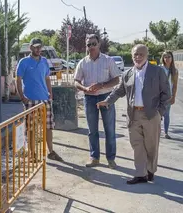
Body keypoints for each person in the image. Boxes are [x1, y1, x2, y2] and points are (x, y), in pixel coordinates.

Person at [97, 44, 171, 184]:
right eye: (135, 54)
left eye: (141, 54)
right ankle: (140, 174)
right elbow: (118, 91)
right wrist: (107, 101)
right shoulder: (127, 74)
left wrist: (160, 112)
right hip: (133, 115)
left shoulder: (157, 72)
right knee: (137, 144)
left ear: (146, 55)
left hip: (151, 114)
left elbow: (166, 94)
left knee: (151, 145)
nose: (137, 57)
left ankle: (150, 170)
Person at [74, 34, 121, 168]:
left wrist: (101, 85)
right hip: (89, 98)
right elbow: (76, 81)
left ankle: (111, 159)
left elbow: (117, 79)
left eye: (94, 44)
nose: (91, 47)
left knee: (109, 129)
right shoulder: (83, 62)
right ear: (86, 46)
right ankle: (94, 157)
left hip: (106, 97)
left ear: (99, 44)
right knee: (92, 130)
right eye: (89, 45)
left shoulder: (108, 60)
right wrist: (85, 88)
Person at [16, 38, 63, 161]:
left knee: (48, 126)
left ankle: (51, 151)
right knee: (31, 128)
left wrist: (50, 94)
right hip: (30, 101)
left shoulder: (44, 62)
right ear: (30, 48)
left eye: (40, 47)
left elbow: (47, 78)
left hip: (45, 100)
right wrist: (22, 97)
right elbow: (18, 80)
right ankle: (32, 153)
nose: (38, 49)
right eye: (35, 47)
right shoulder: (24, 62)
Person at [160, 51, 179, 139]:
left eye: (169, 57)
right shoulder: (159, 69)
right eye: (165, 57)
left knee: (166, 114)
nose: (167, 59)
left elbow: (175, 85)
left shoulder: (174, 71)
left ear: (172, 58)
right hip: (158, 96)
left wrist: (173, 97)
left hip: (168, 96)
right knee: (157, 114)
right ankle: (156, 131)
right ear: (163, 59)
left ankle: (166, 132)